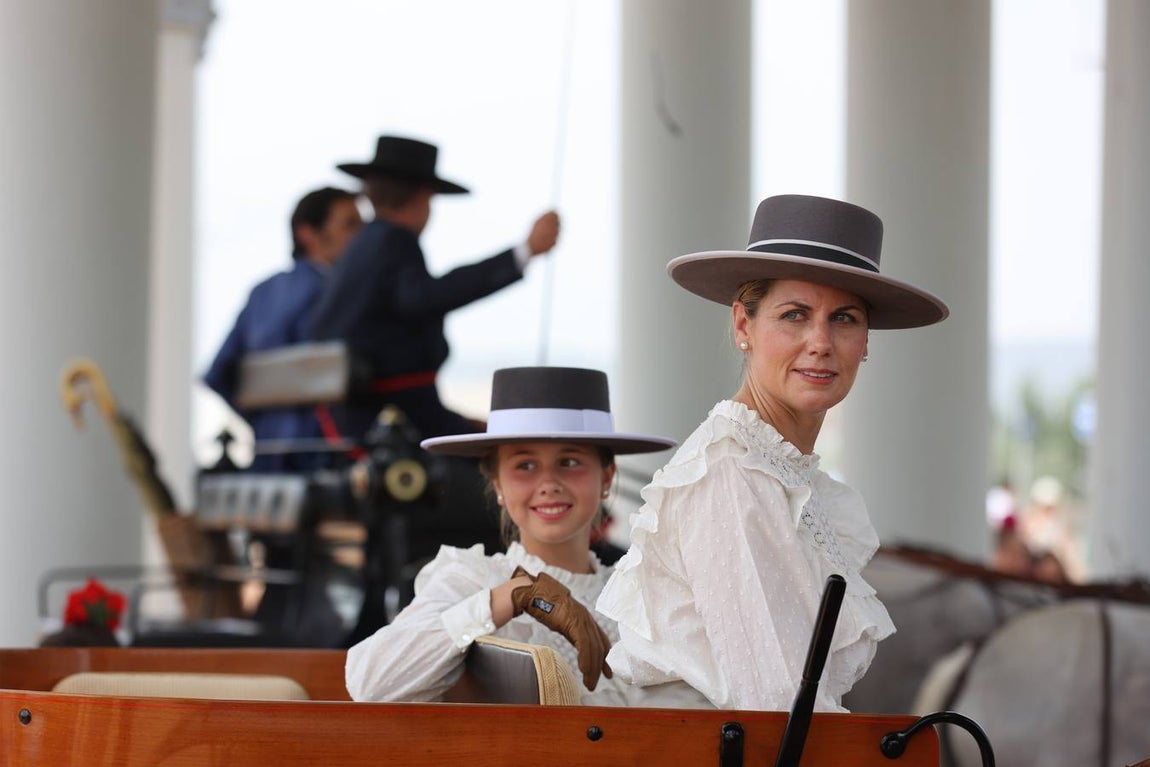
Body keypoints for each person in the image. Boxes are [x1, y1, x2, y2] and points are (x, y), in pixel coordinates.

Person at [596, 194, 950, 712]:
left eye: (845, 319)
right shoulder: (731, 473)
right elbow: (774, 708)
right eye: (794, 315)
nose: (821, 342)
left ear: (866, 340)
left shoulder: (781, 472)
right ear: (744, 326)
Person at [344, 366, 682, 706]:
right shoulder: (471, 579)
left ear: (606, 477)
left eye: (569, 461)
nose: (548, 483)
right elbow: (371, 685)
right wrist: (514, 595)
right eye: (525, 465)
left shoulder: (643, 595)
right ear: (498, 485)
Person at [308, 135, 560, 444]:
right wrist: (525, 251)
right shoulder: (393, 240)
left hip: (359, 418)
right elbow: (423, 297)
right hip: (396, 419)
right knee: (511, 455)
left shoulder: (362, 245)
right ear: (423, 198)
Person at [203, 186, 363, 470]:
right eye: (350, 224)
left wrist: (266, 421)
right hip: (326, 455)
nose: (362, 234)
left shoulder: (262, 292)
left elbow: (218, 374)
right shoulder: (342, 294)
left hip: (267, 454)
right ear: (308, 233)